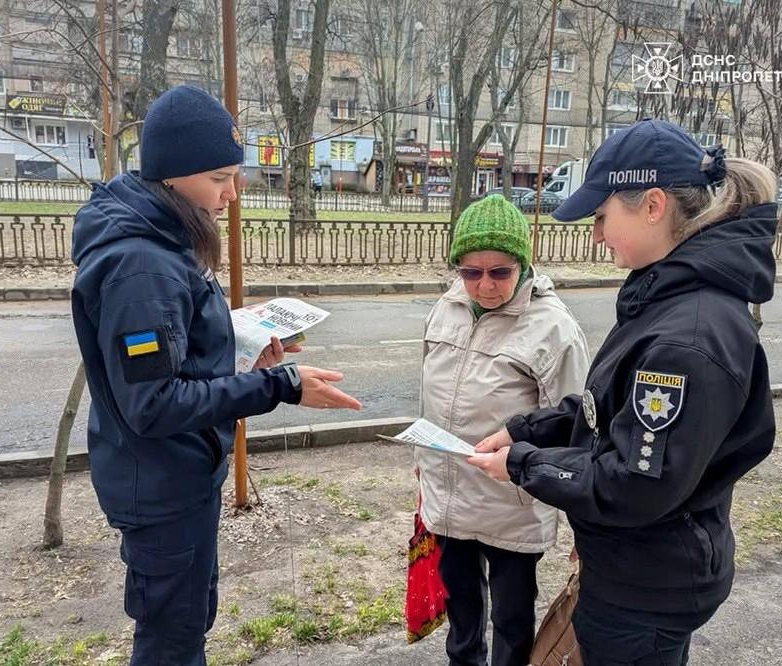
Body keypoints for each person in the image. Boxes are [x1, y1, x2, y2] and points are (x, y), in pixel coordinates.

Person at [468, 119, 779, 666]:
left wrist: (525, 464)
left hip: (646, 588)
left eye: (601, 215)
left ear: (653, 205)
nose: (595, 233)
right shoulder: (664, 294)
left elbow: (636, 483)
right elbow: (610, 407)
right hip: (633, 564)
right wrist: (525, 429)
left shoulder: (689, 334)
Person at [70, 85, 362, 665]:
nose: (233, 194)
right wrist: (282, 386)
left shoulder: (163, 238)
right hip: (161, 486)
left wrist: (243, 342)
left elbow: (175, 352)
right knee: (171, 642)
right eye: (219, 178)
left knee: (188, 621)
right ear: (174, 176)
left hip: (180, 474)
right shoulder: (142, 265)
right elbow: (153, 403)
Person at [416, 194, 590, 666]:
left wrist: (582, 520)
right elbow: (432, 394)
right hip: (449, 494)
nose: (485, 286)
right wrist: (424, 466)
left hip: (511, 501)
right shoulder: (446, 309)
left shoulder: (553, 328)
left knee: (512, 619)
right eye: (471, 272)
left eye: (500, 272)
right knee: (461, 611)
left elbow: (578, 426)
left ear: (524, 266)